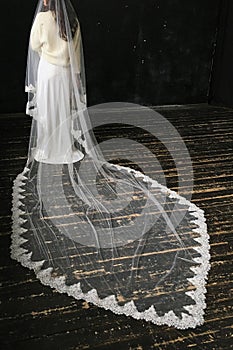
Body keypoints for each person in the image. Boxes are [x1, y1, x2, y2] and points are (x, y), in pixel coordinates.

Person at [10, 0, 210, 329]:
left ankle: (51, 148)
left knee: (49, 118)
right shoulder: (71, 22)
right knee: (62, 116)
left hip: (48, 73)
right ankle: (61, 148)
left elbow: (34, 45)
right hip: (64, 77)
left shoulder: (44, 18)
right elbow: (75, 58)